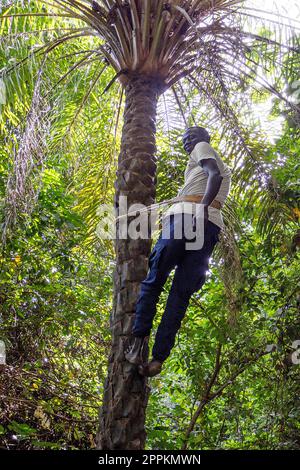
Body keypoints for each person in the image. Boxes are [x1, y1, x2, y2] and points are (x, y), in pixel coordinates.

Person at [125, 126, 232, 377]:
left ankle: (138, 341)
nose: (187, 142)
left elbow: (213, 175)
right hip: (209, 228)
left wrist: (200, 208)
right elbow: (213, 177)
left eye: (191, 137)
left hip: (187, 218)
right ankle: (158, 359)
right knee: (180, 295)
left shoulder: (203, 150)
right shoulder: (208, 165)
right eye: (184, 139)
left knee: (154, 279)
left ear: (205, 139)